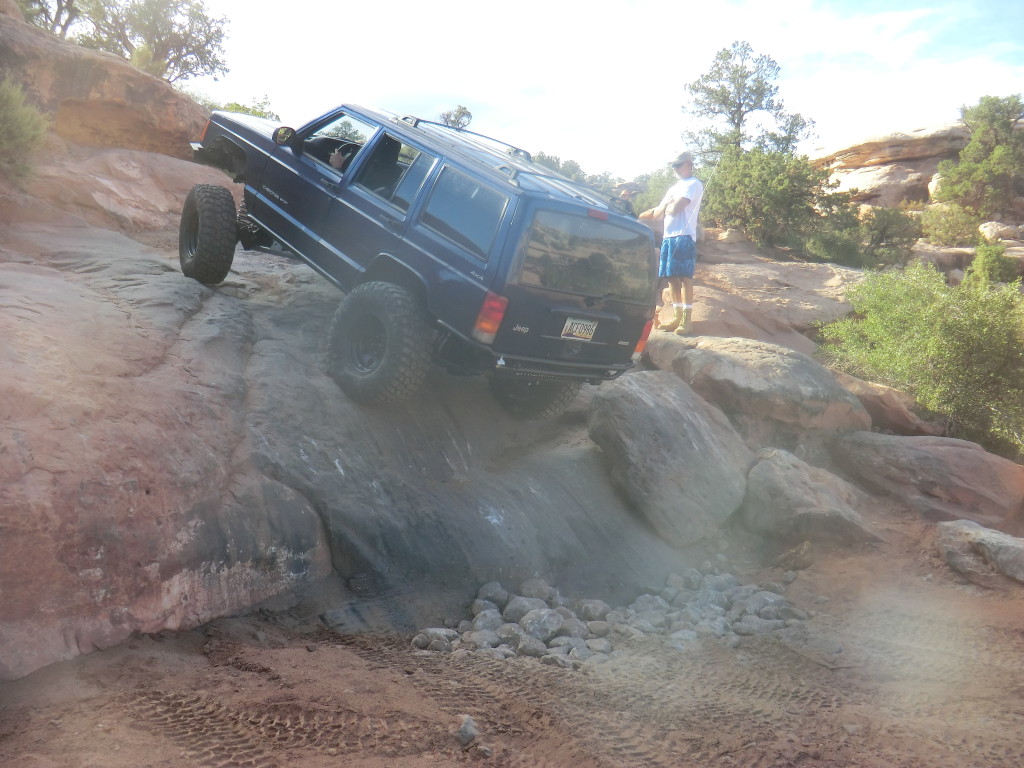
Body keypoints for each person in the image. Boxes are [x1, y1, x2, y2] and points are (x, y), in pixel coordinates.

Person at [646, 151, 703, 334]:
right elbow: (657, 213)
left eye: (677, 165)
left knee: (684, 277)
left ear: (688, 164)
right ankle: (676, 316)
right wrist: (665, 206)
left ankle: (687, 320)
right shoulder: (674, 188)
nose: (675, 169)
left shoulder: (694, 184)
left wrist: (666, 207)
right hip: (669, 236)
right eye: (673, 166)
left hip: (684, 235)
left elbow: (674, 209)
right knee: (670, 276)